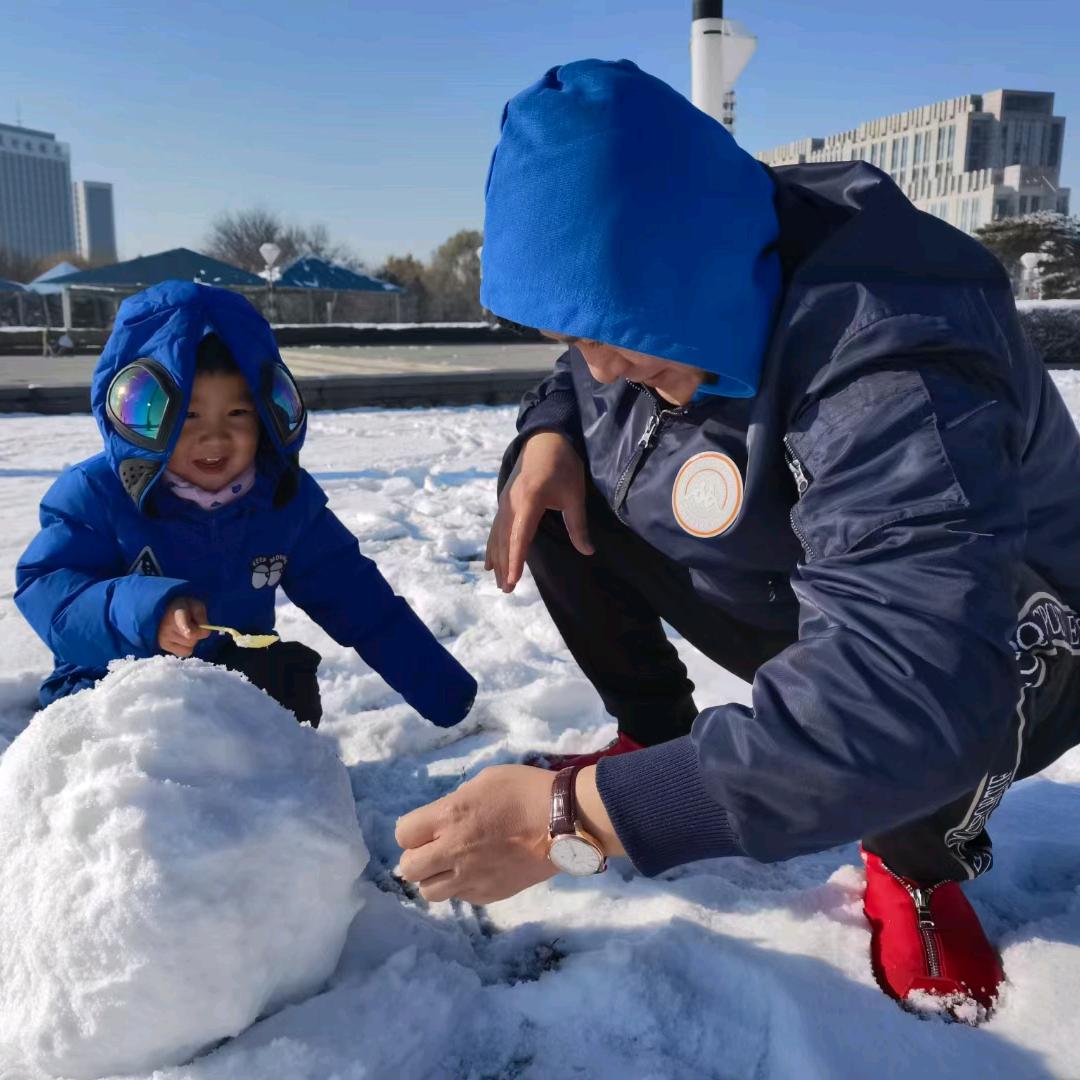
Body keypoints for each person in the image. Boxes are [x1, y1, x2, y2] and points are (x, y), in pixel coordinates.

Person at [396, 59, 1080, 1017]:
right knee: (555, 500)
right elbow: (581, 361)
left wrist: (572, 823)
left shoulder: (897, 356)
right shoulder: (696, 272)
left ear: (690, 262)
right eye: (577, 331)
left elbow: (913, 684)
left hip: (1006, 643)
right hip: (801, 572)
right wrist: (547, 434)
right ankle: (658, 735)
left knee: (898, 707)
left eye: (615, 331)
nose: (600, 366)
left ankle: (918, 858)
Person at [16, 280, 477, 732]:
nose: (214, 436)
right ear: (141, 412)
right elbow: (51, 591)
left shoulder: (282, 499)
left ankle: (265, 792)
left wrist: (442, 689)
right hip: (111, 679)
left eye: (237, 413)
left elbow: (361, 602)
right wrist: (147, 613)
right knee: (133, 737)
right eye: (188, 415)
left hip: (231, 670)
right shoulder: (96, 494)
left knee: (287, 685)